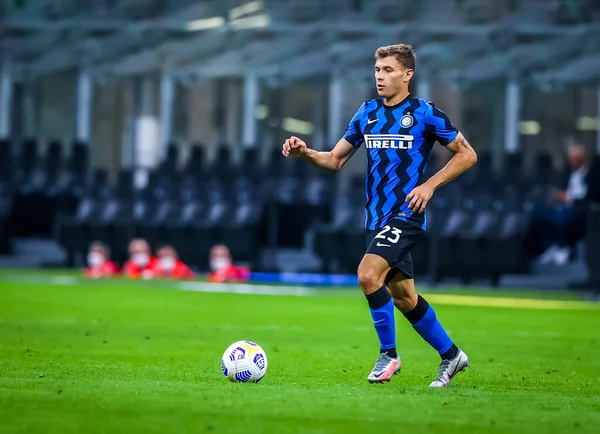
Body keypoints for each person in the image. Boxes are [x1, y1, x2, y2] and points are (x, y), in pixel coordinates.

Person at [282, 43, 477, 387]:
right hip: (376, 220)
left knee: (367, 275)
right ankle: (452, 356)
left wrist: (429, 186)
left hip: (406, 215)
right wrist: (306, 152)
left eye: (388, 70)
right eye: (377, 70)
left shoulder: (425, 113)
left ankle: (389, 355)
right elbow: (334, 160)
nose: (380, 77)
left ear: (407, 74)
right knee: (404, 298)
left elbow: (467, 155)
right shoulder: (367, 112)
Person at [534, 144, 599, 265]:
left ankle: (562, 248)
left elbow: (590, 198)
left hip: (581, 209)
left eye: (576, 158)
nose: (572, 161)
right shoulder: (567, 173)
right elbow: (560, 190)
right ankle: (552, 246)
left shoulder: (594, 175)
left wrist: (568, 198)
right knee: (540, 215)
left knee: (564, 218)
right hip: (561, 206)